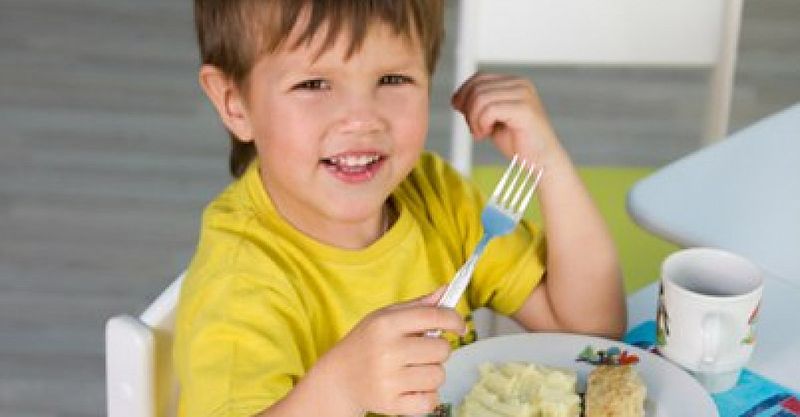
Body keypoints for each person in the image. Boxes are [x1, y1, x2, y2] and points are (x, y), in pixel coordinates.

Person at [174, 1, 626, 416]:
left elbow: (591, 331)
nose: (361, 118)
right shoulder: (240, 283)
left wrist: (546, 160)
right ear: (234, 103)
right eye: (313, 83)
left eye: (392, 79)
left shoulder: (436, 196)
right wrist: (339, 391)